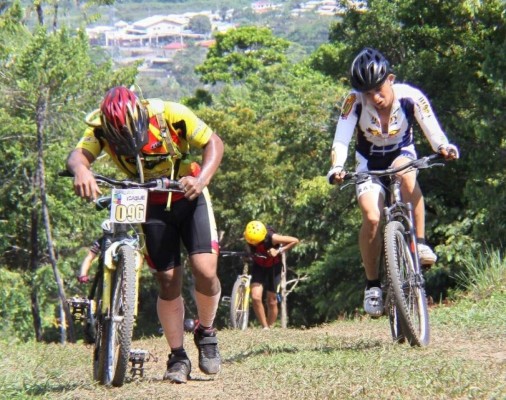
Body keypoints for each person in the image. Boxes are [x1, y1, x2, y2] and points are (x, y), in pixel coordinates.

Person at [66, 86, 224, 384]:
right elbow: (78, 155)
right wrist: (81, 171)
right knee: (166, 280)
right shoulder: (100, 127)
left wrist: (201, 179)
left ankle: (206, 331)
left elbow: (214, 142)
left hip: (188, 197)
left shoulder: (170, 114)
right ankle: (177, 356)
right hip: (147, 202)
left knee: (205, 270)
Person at [326, 48, 459, 317]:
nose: (374, 98)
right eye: (367, 92)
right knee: (372, 218)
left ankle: (420, 243)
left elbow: (431, 126)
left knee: (406, 174)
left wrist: (443, 146)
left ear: (390, 79)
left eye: (378, 89)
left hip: (402, 153)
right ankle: (373, 285)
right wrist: (336, 167)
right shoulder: (354, 102)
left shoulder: (410, 96)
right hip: (369, 161)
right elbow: (341, 138)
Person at [243, 221, 299, 329]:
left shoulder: (273, 238)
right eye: (252, 242)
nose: (254, 244)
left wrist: (279, 250)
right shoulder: (248, 235)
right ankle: (265, 328)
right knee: (255, 297)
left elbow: (295, 240)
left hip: (274, 268)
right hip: (259, 266)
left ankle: (269, 326)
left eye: (256, 242)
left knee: (272, 301)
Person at [77, 219, 113, 284]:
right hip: (104, 269)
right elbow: (89, 258)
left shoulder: (127, 239)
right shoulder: (100, 241)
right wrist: (83, 274)